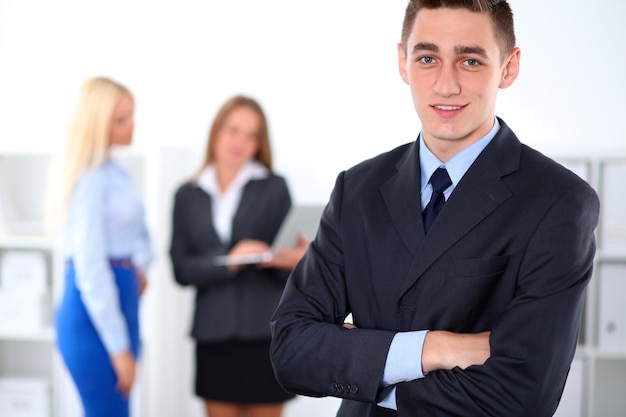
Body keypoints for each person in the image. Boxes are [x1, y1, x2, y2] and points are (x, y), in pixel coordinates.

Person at [270, 1, 600, 416]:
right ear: (403, 63)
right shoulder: (357, 190)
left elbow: (522, 394)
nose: (446, 85)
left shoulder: (559, 202)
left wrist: (369, 368)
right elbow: (291, 347)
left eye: (470, 61)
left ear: (508, 67)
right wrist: (434, 348)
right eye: (428, 58)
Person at [169, 95, 306, 417]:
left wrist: (294, 261)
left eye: (252, 135)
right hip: (213, 333)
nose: (240, 142)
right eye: (233, 130)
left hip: (264, 331)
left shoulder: (273, 187)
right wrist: (229, 259)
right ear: (216, 131)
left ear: (260, 143)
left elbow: (284, 265)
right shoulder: (187, 195)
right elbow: (181, 268)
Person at [50, 77, 152, 417]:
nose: (132, 125)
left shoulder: (117, 175)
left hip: (122, 298)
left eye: (131, 115)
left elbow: (139, 234)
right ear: (98, 125)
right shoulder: (91, 179)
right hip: (94, 311)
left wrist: (139, 265)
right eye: (121, 119)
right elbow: (90, 267)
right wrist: (119, 348)